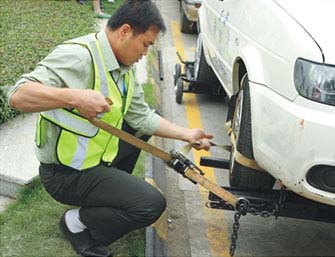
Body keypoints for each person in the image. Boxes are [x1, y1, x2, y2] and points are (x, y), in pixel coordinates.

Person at [7, 1, 213, 256]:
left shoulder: (122, 66)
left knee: (143, 124)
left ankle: (111, 195)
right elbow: (18, 95)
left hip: (93, 163)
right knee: (151, 204)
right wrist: (75, 97)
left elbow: (142, 118)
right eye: (146, 44)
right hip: (64, 175)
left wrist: (187, 134)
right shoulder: (79, 55)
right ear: (125, 31)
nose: (145, 53)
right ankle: (76, 223)